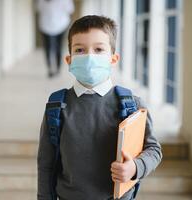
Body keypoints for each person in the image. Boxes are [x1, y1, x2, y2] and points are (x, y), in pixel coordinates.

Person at [37, 15, 163, 200]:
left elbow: (153, 150)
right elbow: (46, 163)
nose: (89, 56)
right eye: (79, 50)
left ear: (113, 59)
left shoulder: (131, 105)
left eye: (98, 49)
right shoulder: (57, 107)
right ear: (69, 59)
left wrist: (135, 167)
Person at [36, 0, 74, 78]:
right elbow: (38, 9)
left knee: (58, 48)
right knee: (48, 48)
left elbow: (70, 10)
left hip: (61, 26)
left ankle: (58, 68)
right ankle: (50, 69)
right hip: (45, 26)